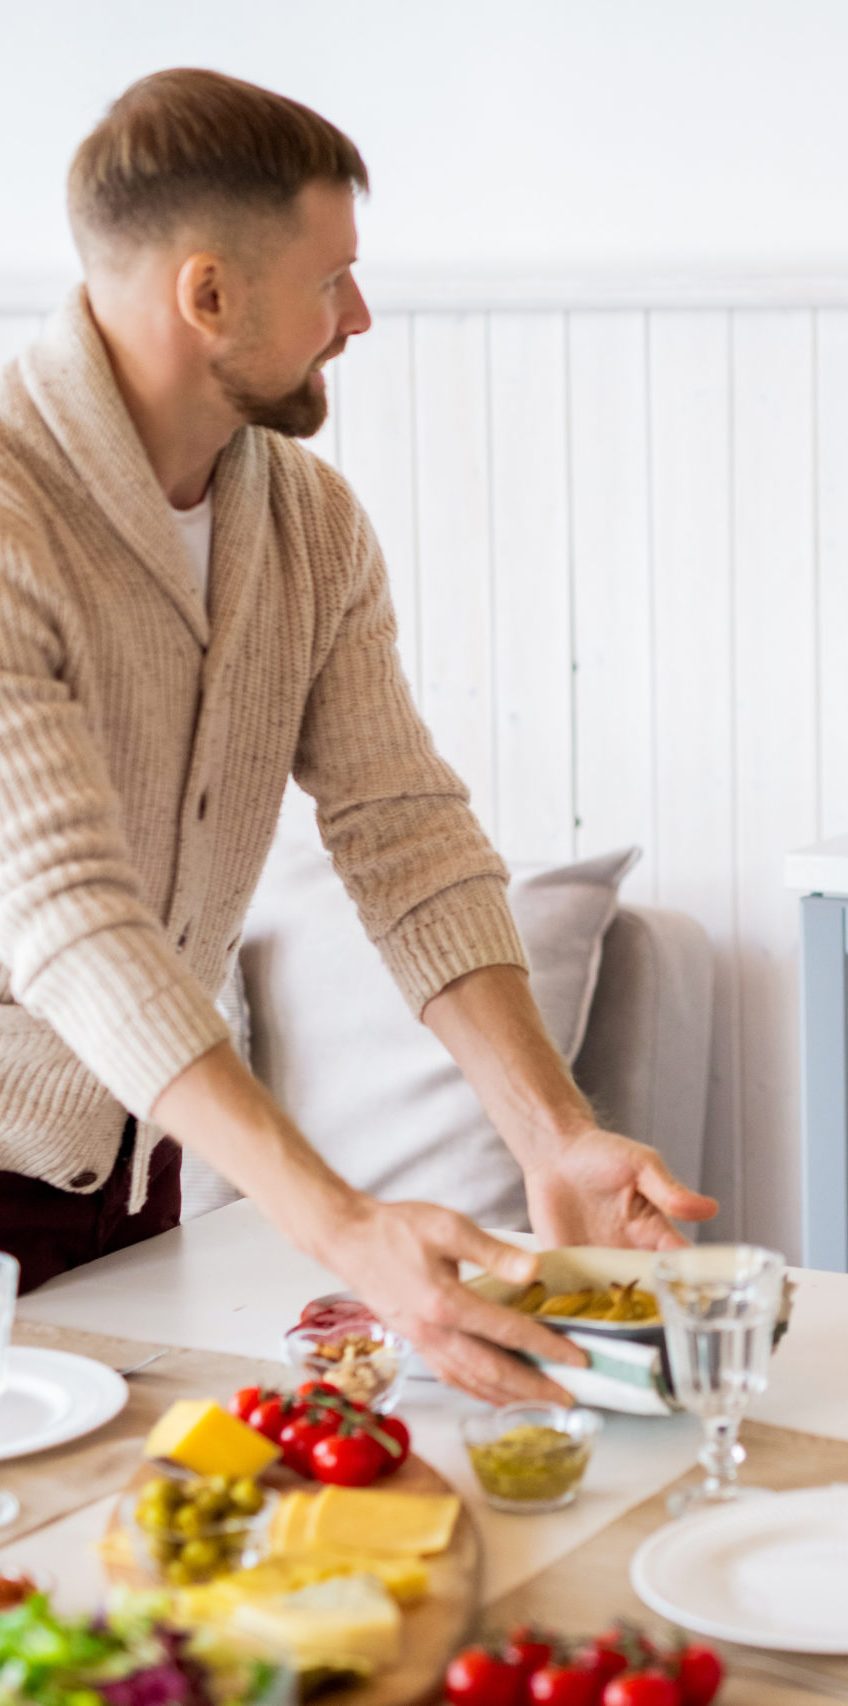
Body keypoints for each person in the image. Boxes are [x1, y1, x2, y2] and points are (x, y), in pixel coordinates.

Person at [0, 68, 716, 1404]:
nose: (361, 316)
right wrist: (341, 1224)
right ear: (206, 294)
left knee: (137, 1577)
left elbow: (405, 832)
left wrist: (552, 1133)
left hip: (132, 1182)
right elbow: (69, 920)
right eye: (332, 281)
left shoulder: (308, 523)